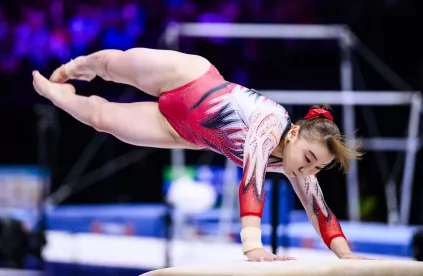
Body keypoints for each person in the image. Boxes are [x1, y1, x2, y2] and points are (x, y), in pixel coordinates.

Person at [32, 48, 372, 262]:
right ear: (295, 133)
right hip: (190, 79)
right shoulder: (271, 124)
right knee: (111, 63)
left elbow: (320, 210)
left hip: (187, 131)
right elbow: (252, 182)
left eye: (318, 167)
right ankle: (78, 66)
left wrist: (346, 255)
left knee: (102, 120)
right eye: (309, 158)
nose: (307, 169)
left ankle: (56, 94)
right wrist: (252, 245)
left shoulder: (300, 165)